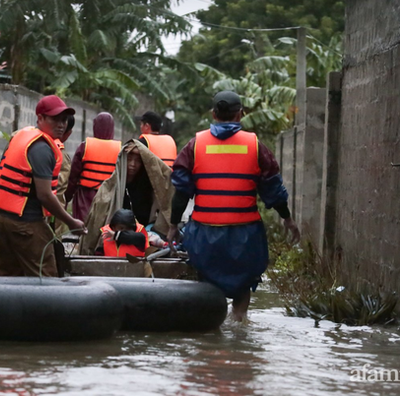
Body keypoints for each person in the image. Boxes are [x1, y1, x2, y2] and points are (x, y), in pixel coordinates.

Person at [167, 91, 300, 322]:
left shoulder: (195, 145)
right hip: (244, 233)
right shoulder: (255, 146)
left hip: (204, 233)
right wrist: (287, 219)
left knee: (205, 282)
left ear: (213, 114)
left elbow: (182, 192)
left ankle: (209, 331)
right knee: (243, 284)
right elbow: (273, 190)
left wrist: (172, 225)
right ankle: (239, 325)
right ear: (241, 114)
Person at [0, 95, 86, 277]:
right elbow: (44, 195)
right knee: (46, 278)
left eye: (63, 120)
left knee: (11, 278)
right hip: (26, 224)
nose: (61, 124)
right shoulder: (42, 149)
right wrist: (71, 221)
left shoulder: (24, 137)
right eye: (55, 119)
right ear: (40, 118)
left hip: (4, 220)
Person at [79, 139, 174, 256]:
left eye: (137, 161)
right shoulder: (109, 187)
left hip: (144, 234)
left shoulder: (150, 187)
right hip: (114, 234)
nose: (132, 164)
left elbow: (168, 188)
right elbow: (97, 222)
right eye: (129, 159)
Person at [67, 112, 121, 222]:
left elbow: (73, 176)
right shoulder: (120, 149)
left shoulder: (84, 146)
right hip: (109, 196)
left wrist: (67, 197)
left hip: (85, 196)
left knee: (84, 227)